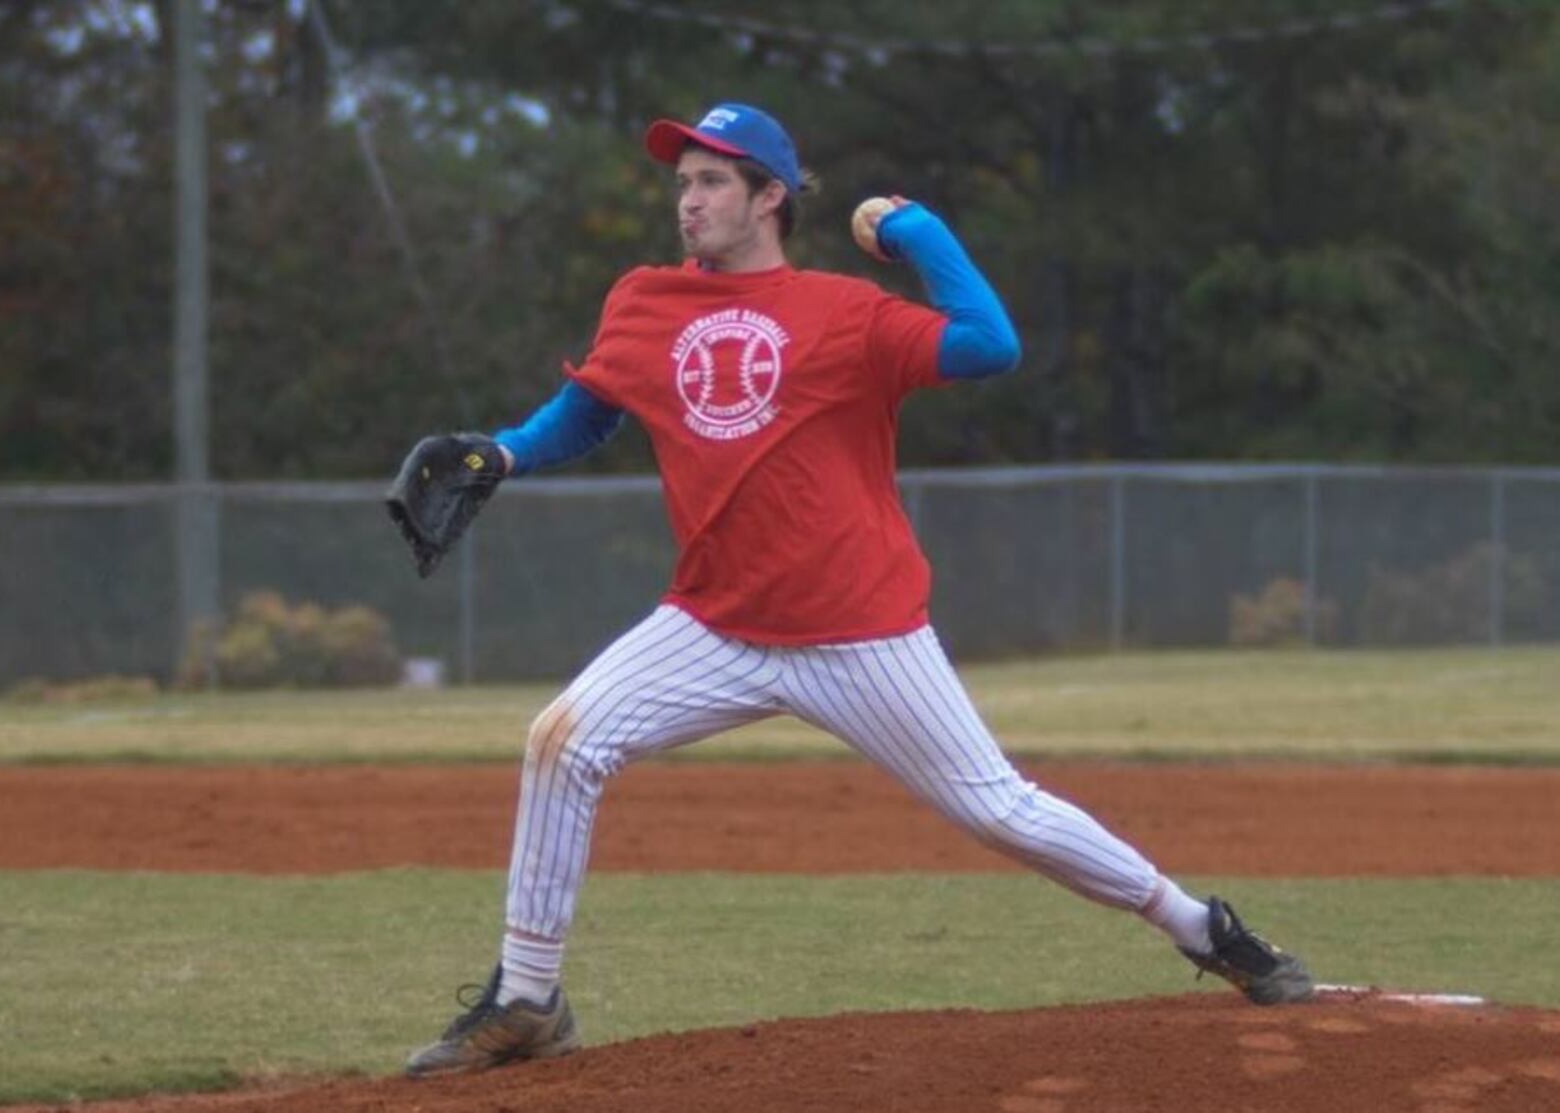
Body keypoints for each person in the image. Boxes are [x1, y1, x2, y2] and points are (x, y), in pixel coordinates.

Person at [403, 102, 1314, 1078]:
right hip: (712, 622)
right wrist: (505, 452)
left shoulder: (846, 313)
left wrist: (916, 230)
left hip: (858, 633)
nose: (690, 200)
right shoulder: (644, 301)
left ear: (770, 197)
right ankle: (530, 1001)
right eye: (683, 183)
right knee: (560, 741)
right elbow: (592, 410)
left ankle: (1201, 928)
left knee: (998, 810)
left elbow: (989, 344)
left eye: (714, 180)